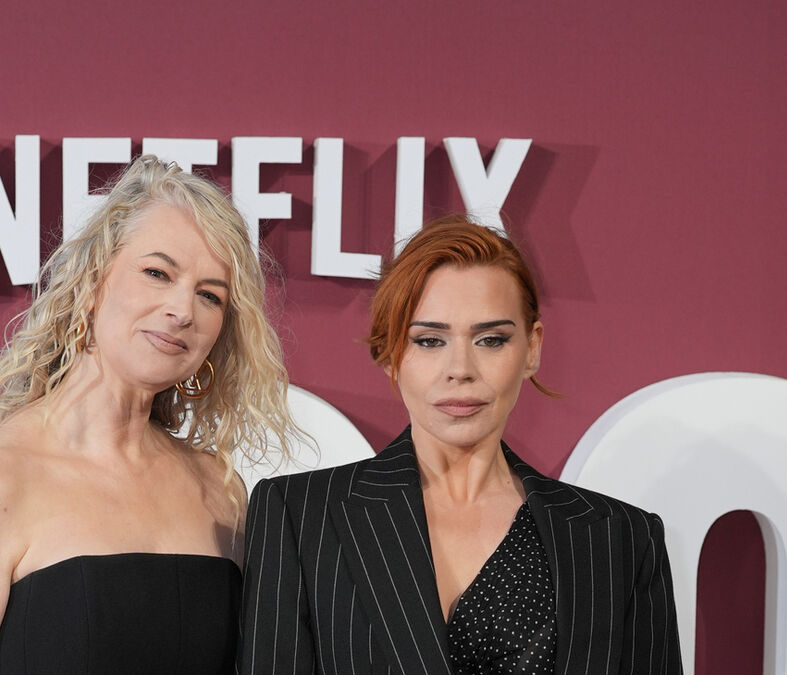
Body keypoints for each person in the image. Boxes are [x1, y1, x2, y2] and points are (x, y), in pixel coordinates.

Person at [0, 156, 298, 675]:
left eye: (210, 296)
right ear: (90, 284)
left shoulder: (218, 489)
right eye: (157, 273)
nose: (183, 311)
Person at [239, 217, 682, 674]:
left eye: (491, 340)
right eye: (429, 340)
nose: (460, 369)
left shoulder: (620, 538)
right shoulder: (301, 516)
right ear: (390, 353)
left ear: (532, 348)